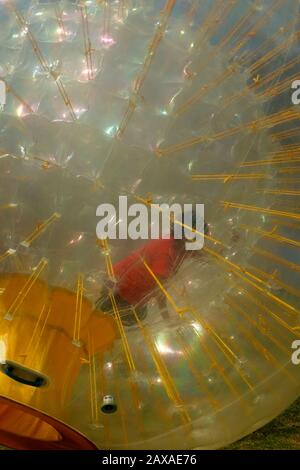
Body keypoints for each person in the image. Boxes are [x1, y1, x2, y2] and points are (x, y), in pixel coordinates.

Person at [96, 214, 209, 326]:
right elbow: (160, 291)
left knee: (132, 315)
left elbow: (191, 252)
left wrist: (208, 256)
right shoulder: (166, 252)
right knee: (109, 320)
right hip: (121, 288)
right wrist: (167, 320)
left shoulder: (178, 245)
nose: (200, 243)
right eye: (198, 238)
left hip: (123, 283)